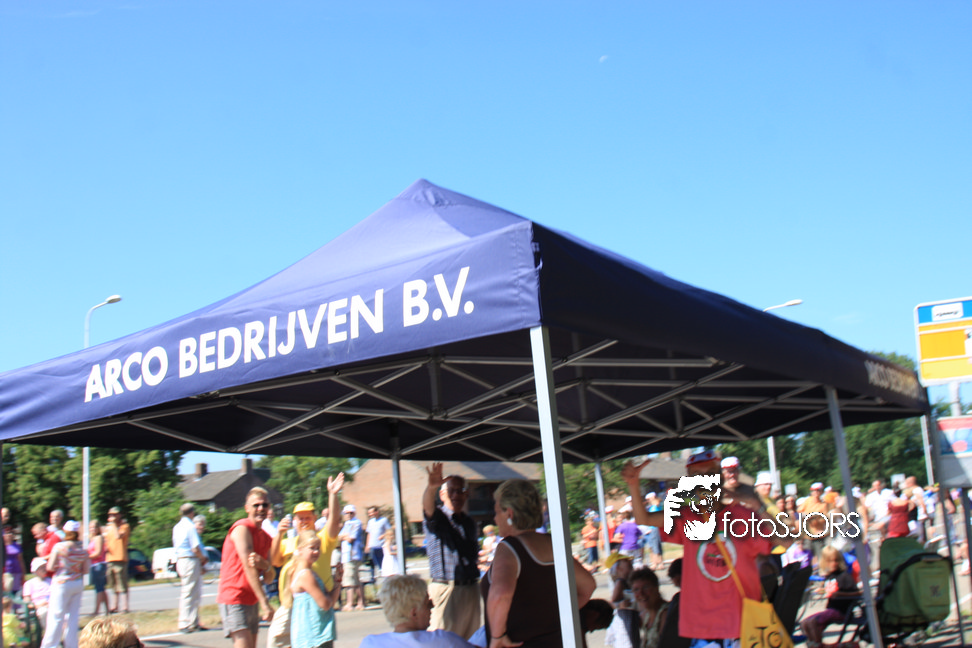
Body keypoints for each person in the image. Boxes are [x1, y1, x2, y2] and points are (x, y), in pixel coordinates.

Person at [623, 452, 787, 647]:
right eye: (696, 475)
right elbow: (644, 519)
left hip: (742, 625)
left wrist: (757, 505)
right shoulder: (686, 517)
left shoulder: (742, 516)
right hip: (701, 627)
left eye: (710, 473)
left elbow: (786, 541)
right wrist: (633, 485)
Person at [481, 478, 596, 647]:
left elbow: (501, 594)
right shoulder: (553, 543)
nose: (495, 519)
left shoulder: (510, 548)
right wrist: (555, 615)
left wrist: (497, 637)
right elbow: (588, 586)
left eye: (497, 512)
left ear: (509, 514)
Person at [266, 473, 344, 648]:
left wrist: (333, 494)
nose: (304, 521)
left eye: (307, 517)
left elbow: (334, 521)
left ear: (314, 518)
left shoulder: (321, 538)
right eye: (300, 518)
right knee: (276, 642)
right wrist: (279, 534)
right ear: (294, 520)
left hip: (315, 603)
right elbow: (275, 561)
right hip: (290, 605)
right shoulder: (290, 542)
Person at [422, 463, 481, 638]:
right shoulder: (437, 518)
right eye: (451, 491)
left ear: (466, 494)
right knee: (442, 642)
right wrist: (431, 488)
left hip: (471, 589)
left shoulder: (469, 523)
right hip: (446, 590)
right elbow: (427, 508)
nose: (456, 495)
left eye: (460, 490)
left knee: (471, 642)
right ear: (442, 495)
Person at [216, 487, 276, 648]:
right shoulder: (241, 528)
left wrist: (266, 566)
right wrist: (265, 603)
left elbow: (269, 577)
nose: (261, 508)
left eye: (265, 505)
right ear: (247, 508)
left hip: (252, 598)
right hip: (234, 596)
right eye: (256, 505)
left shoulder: (266, 538)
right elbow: (249, 567)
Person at [361, 574, 475, 648]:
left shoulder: (370, 643)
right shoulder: (445, 641)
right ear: (414, 613)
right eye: (427, 604)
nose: (432, 606)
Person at [39, 520, 90, 648]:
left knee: (56, 616)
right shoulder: (82, 550)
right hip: (77, 583)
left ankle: (50, 645)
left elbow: (50, 567)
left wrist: (59, 566)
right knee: (73, 617)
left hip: (61, 583)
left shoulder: (59, 547)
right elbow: (86, 570)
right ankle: (71, 645)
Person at [799, 546, 860, 648]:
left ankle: (818, 645)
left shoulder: (844, 576)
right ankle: (815, 643)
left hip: (841, 611)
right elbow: (831, 590)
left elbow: (858, 593)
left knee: (813, 622)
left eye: (836, 560)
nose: (833, 564)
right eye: (830, 561)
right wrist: (822, 590)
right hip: (831, 610)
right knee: (805, 623)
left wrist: (840, 594)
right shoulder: (829, 576)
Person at [289, 530, 341, 648]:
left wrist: (337, 581)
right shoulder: (305, 575)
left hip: (318, 634)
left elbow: (330, 601)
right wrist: (328, 599)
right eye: (312, 548)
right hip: (314, 637)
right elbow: (325, 604)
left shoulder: (311, 573)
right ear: (300, 549)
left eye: (318, 548)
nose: (316, 552)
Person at [173, 502, 209, 633]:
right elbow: (195, 547)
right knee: (189, 592)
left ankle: (193, 621)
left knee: (194, 591)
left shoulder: (177, 527)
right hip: (190, 560)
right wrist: (203, 558)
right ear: (192, 513)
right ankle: (184, 622)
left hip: (181, 559)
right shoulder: (190, 527)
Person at [630, 568, 669, 648]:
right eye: (636, 590)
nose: (641, 593)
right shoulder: (647, 615)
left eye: (646, 587)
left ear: (656, 588)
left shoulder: (666, 613)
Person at [103, 507, 131, 614]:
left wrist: (114, 524)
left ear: (120, 515)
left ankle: (125, 607)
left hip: (120, 558)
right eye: (111, 515)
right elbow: (106, 540)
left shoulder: (124, 526)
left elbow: (118, 536)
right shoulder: (109, 528)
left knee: (122, 584)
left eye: (115, 514)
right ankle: (114, 606)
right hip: (110, 558)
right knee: (113, 584)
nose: (113, 517)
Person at [338, 505, 365, 611]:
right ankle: (360, 602)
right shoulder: (346, 524)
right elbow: (339, 537)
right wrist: (344, 536)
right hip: (346, 555)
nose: (348, 515)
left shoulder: (356, 523)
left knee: (349, 579)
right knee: (355, 579)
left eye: (351, 513)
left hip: (353, 554)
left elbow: (350, 538)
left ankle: (350, 603)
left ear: (354, 513)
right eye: (346, 513)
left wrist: (344, 536)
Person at [22, 558, 52, 630]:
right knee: (44, 612)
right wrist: (40, 605)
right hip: (39, 607)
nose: (44, 569)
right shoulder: (29, 584)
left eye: (44, 566)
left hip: (52, 604)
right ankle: (49, 632)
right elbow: (27, 602)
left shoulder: (51, 581)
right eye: (41, 567)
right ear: (35, 570)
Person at [87, 519, 109, 616]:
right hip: (94, 564)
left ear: (98, 528)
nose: (93, 529)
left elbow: (98, 553)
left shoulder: (99, 538)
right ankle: (107, 610)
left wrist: (86, 557)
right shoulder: (93, 538)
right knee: (101, 588)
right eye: (91, 527)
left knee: (99, 588)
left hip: (99, 565)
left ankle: (96, 611)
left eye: (94, 527)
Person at [365, 506, 391, 583]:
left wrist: (383, 536)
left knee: (382, 562)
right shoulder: (370, 522)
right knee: (372, 562)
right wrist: (367, 545)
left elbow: (389, 531)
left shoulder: (384, 520)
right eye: (369, 513)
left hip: (380, 546)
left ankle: (385, 577)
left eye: (371, 512)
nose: (370, 514)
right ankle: (372, 578)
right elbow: (369, 533)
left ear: (376, 512)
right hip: (372, 546)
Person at [3, 526, 25, 596]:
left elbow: (21, 560)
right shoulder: (2, 546)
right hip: (6, 572)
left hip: (17, 571)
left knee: (16, 591)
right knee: (7, 592)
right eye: (7, 533)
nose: (9, 535)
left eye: (11, 533)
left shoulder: (17, 546)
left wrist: (23, 573)